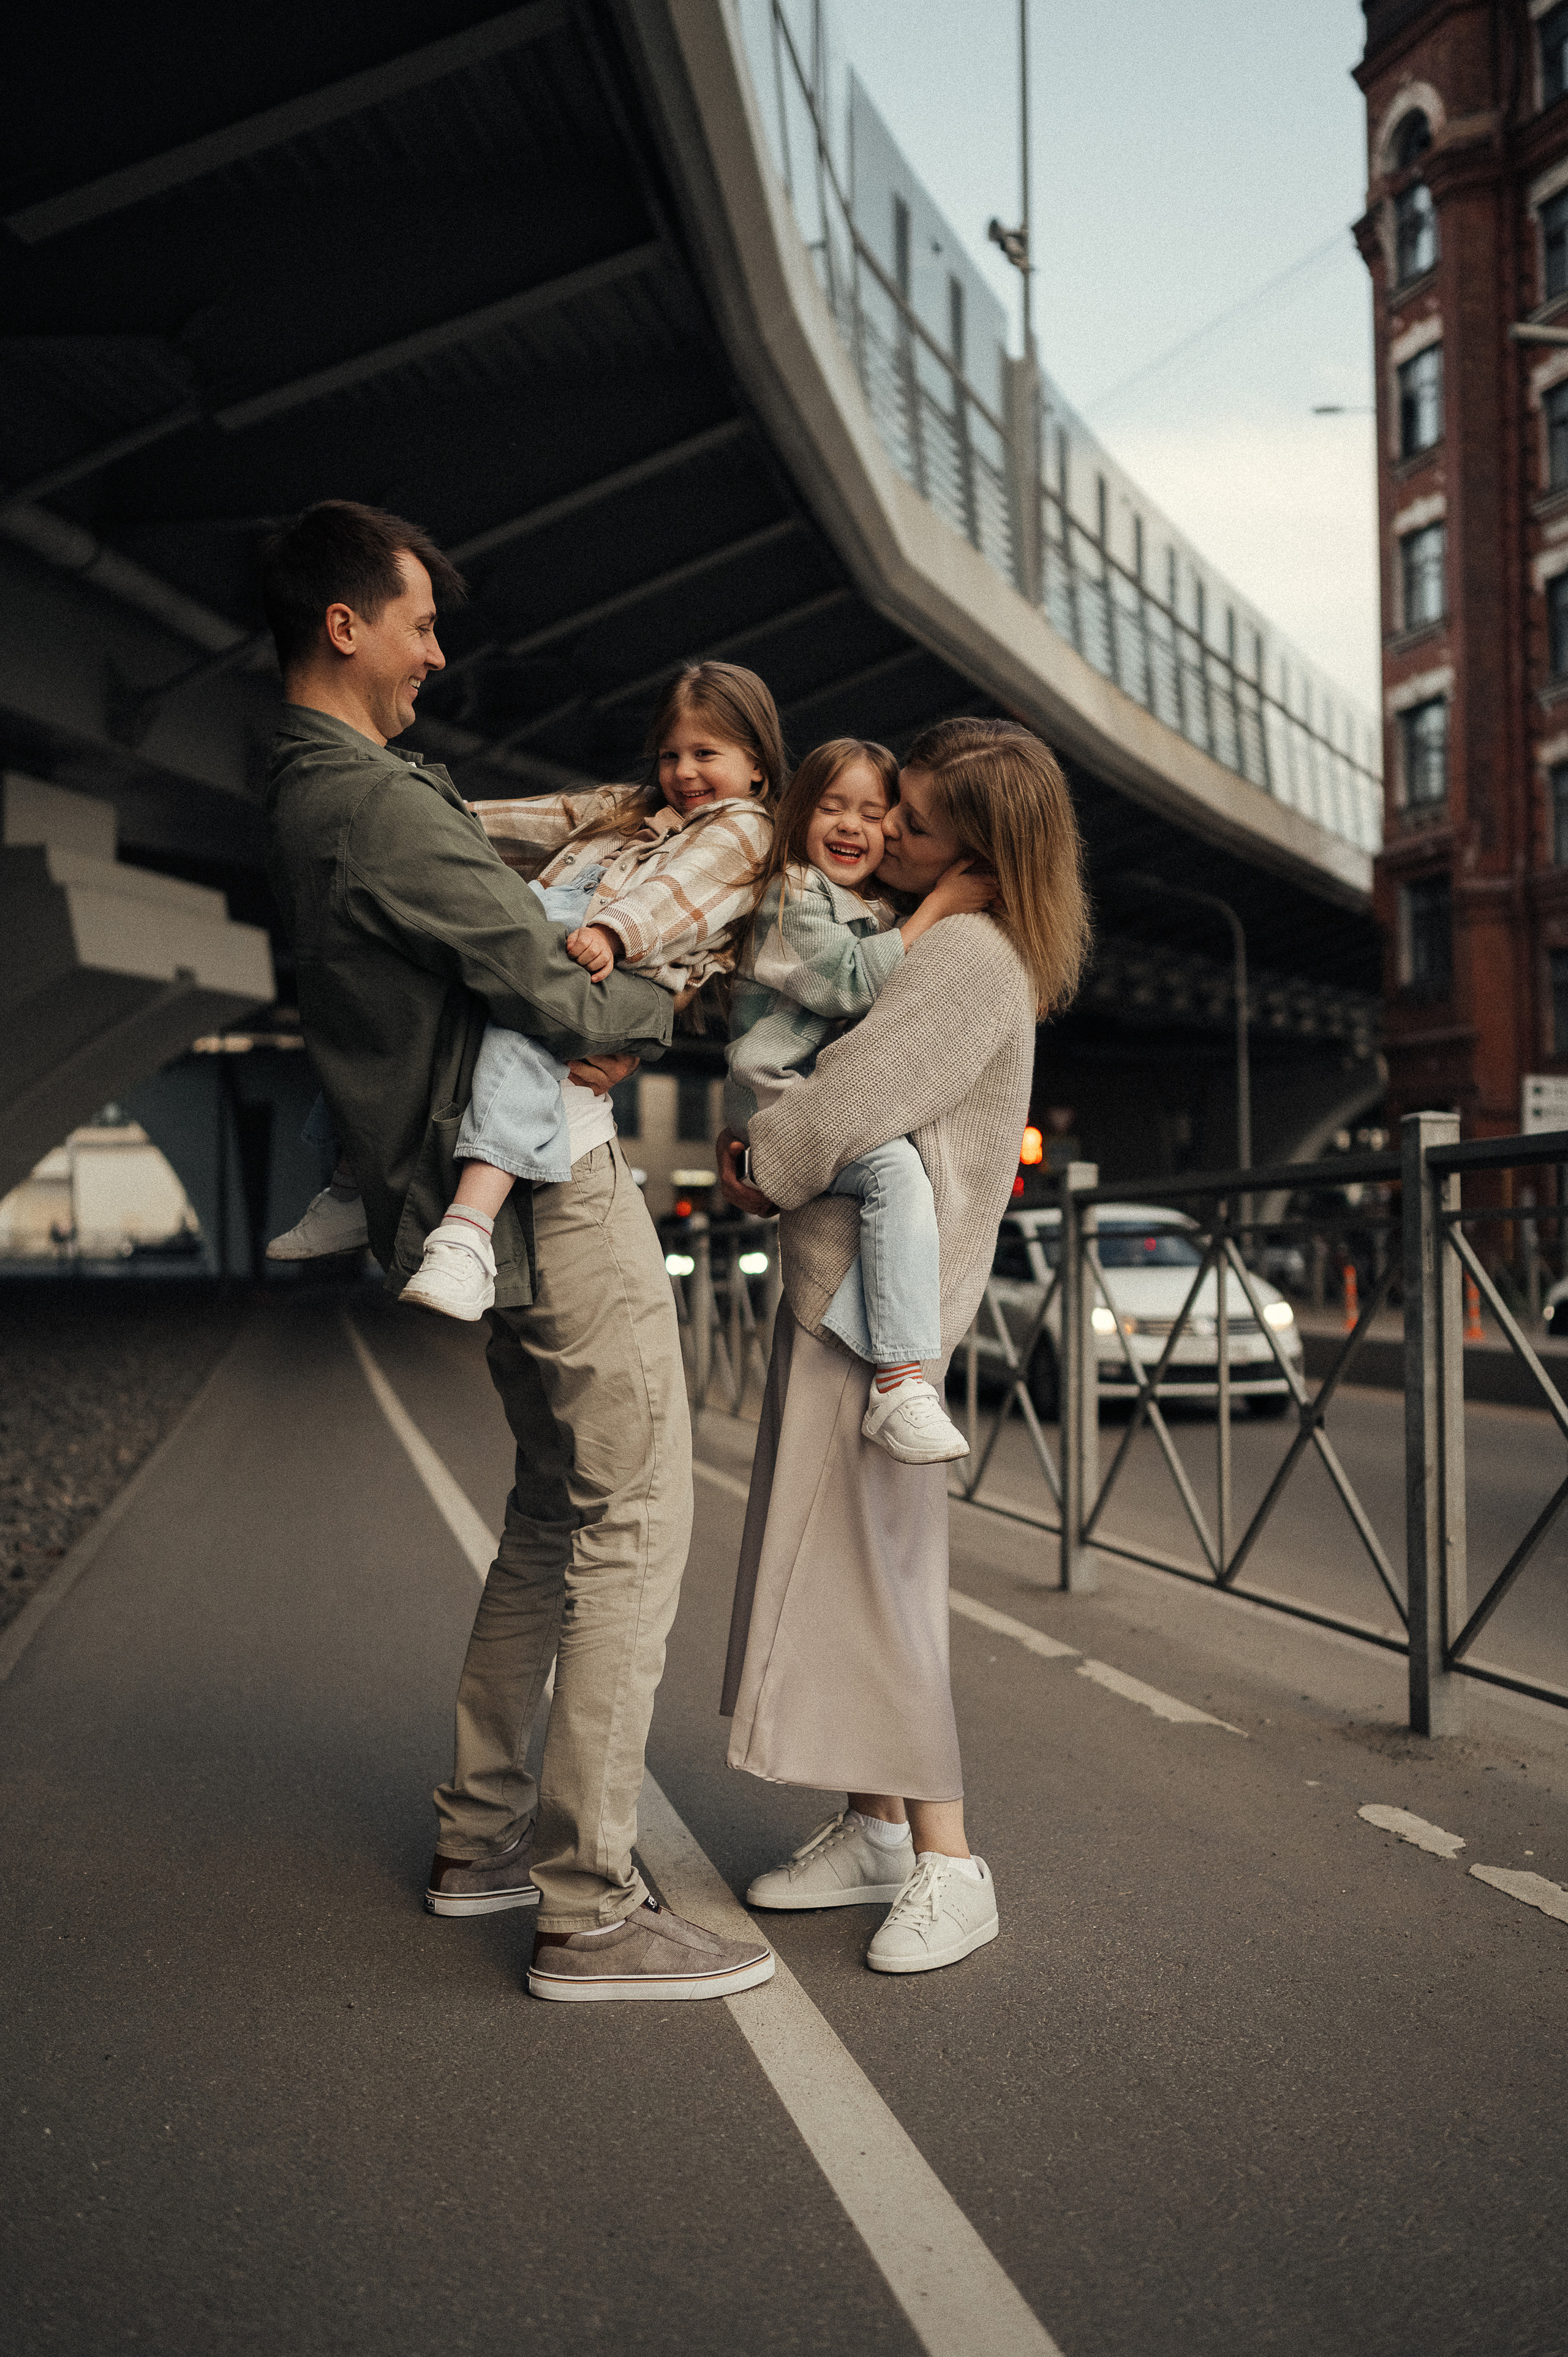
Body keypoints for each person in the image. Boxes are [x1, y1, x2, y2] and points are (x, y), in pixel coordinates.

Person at [263, 500, 772, 2003]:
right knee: (632, 1517)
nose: (437, 653)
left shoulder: (303, 786)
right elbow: (570, 988)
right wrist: (652, 1014)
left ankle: (480, 1840)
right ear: (346, 625)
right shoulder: (378, 802)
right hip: (561, 1195)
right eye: (420, 623)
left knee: (554, 1517)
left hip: (476, 1194)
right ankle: (590, 1908)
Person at [716, 717, 1089, 1977]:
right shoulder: (952, 945)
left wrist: (757, 1162)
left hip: (883, 1327)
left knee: (880, 1580)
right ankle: (878, 1831)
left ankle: (949, 1861)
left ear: (977, 852)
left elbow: (850, 1101)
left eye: (917, 824)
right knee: (838, 1570)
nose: (890, 839)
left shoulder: (969, 955)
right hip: (847, 1305)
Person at [269, 661, 783, 1326]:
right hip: (559, 920)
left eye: (706, 754)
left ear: (757, 768)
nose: (684, 772)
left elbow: (677, 898)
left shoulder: (745, 827)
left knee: (523, 1023)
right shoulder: (626, 812)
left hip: (619, 955)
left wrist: (613, 931)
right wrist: (413, 819)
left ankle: (467, 1233)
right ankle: (349, 1179)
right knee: (418, 991)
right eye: (671, 755)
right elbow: (535, 820)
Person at [724, 737, 992, 1463]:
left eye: (874, 813)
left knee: (898, 1181)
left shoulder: (872, 906)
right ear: (797, 812)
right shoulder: (793, 892)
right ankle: (901, 1379)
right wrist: (936, 905)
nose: (853, 826)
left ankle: (900, 1375)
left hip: (812, 1107)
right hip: (781, 1103)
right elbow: (847, 981)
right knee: (896, 1176)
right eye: (831, 807)